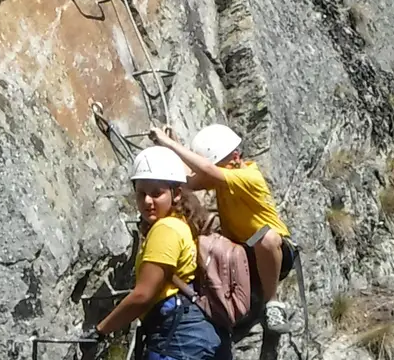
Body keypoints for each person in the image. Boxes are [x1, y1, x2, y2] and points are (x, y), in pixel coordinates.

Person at [154, 124, 298, 333]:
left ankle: (272, 303)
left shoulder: (248, 176)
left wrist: (169, 143)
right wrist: (173, 148)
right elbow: (190, 181)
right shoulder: (226, 177)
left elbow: (208, 170)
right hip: (242, 256)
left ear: (234, 158)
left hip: (275, 253)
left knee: (266, 238)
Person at [93, 146, 224, 360]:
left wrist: (101, 330)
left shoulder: (166, 230)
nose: (147, 201)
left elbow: (143, 295)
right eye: (141, 193)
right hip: (199, 336)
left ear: (176, 193)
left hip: (176, 341)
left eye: (156, 193)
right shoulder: (183, 224)